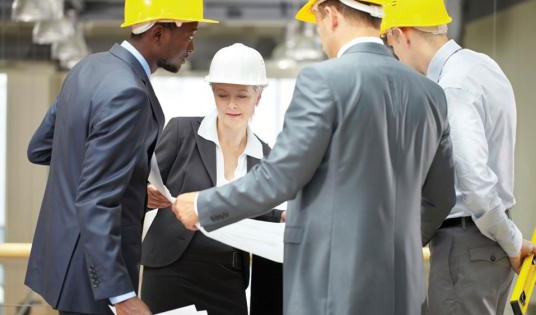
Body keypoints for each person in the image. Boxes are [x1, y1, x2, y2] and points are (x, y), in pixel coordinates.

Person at [171, 0, 457, 314]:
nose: (320, 35)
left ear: (330, 15)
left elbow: (279, 177)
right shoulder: (430, 94)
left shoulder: (323, 80)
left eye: (317, 24)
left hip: (334, 289)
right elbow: (440, 197)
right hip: (403, 288)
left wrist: (202, 205)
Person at [24, 1, 217, 314]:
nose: (192, 46)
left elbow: (42, 148)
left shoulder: (88, 67)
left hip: (63, 267)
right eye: (190, 35)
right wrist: (121, 295)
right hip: (93, 279)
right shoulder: (128, 91)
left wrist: (132, 190)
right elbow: (95, 199)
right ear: (158, 33)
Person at [381, 0, 536, 314]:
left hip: (467, 244)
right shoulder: (482, 65)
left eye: (390, 42)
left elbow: (475, 182)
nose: (394, 53)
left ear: (402, 34)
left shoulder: (452, 85)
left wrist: (512, 241)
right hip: (486, 243)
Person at [140, 43, 283, 315]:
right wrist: (144, 195)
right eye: (222, 95)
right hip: (171, 268)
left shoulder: (265, 156)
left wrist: (281, 217)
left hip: (226, 271)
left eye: (242, 96)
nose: (231, 105)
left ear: (258, 97)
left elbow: (256, 208)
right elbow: (139, 187)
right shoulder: (182, 131)